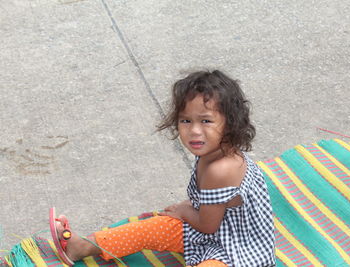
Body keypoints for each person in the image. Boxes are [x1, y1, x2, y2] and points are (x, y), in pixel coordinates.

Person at [52, 70, 276, 267]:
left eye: (206, 121)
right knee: (149, 228)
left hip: (238, 253)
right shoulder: (214, 150)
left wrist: (185, 212)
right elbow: (217, 206)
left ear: (230, 122)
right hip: (214, 233)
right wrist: (190, 207)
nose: (194, 131)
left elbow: (207, 225)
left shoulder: (221, 169)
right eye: (186, 121)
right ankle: (81, 247)